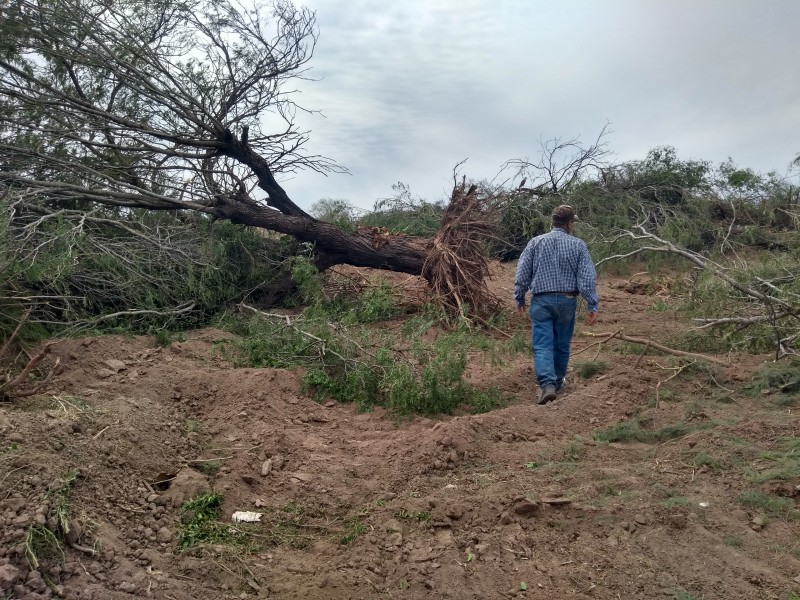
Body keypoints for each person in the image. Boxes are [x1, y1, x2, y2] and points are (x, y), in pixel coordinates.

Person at [514, 205, 599, 405]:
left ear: (553, 222)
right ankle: (558, 383)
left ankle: (547, 385)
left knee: (543, 345)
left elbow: (522, 272)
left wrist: (519, 297)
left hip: (541, 301)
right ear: (569, 223)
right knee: (562, 345)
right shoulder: (578, 245)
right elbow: (586, 278)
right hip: (566, 301)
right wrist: (592, 304)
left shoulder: (535, 243)